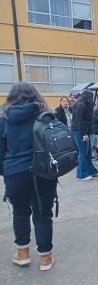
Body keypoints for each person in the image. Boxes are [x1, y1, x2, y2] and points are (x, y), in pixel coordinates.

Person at [1, 82, 58, 271]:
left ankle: (23, 254)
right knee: (43, 214)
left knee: (20, 212)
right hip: (43, 172)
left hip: (15, 172)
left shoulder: (4, 119)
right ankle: (45, 258)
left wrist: (6, 171)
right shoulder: (45, 115)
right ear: (36, 96)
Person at [71, 90, 98, 180]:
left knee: (87, 152)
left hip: (81, 131)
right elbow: (79, 121)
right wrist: (84, 134)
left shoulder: (80, 104)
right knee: (83, 152)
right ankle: (81, 174)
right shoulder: (81, 106)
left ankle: (90, 171)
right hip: (80, 131)